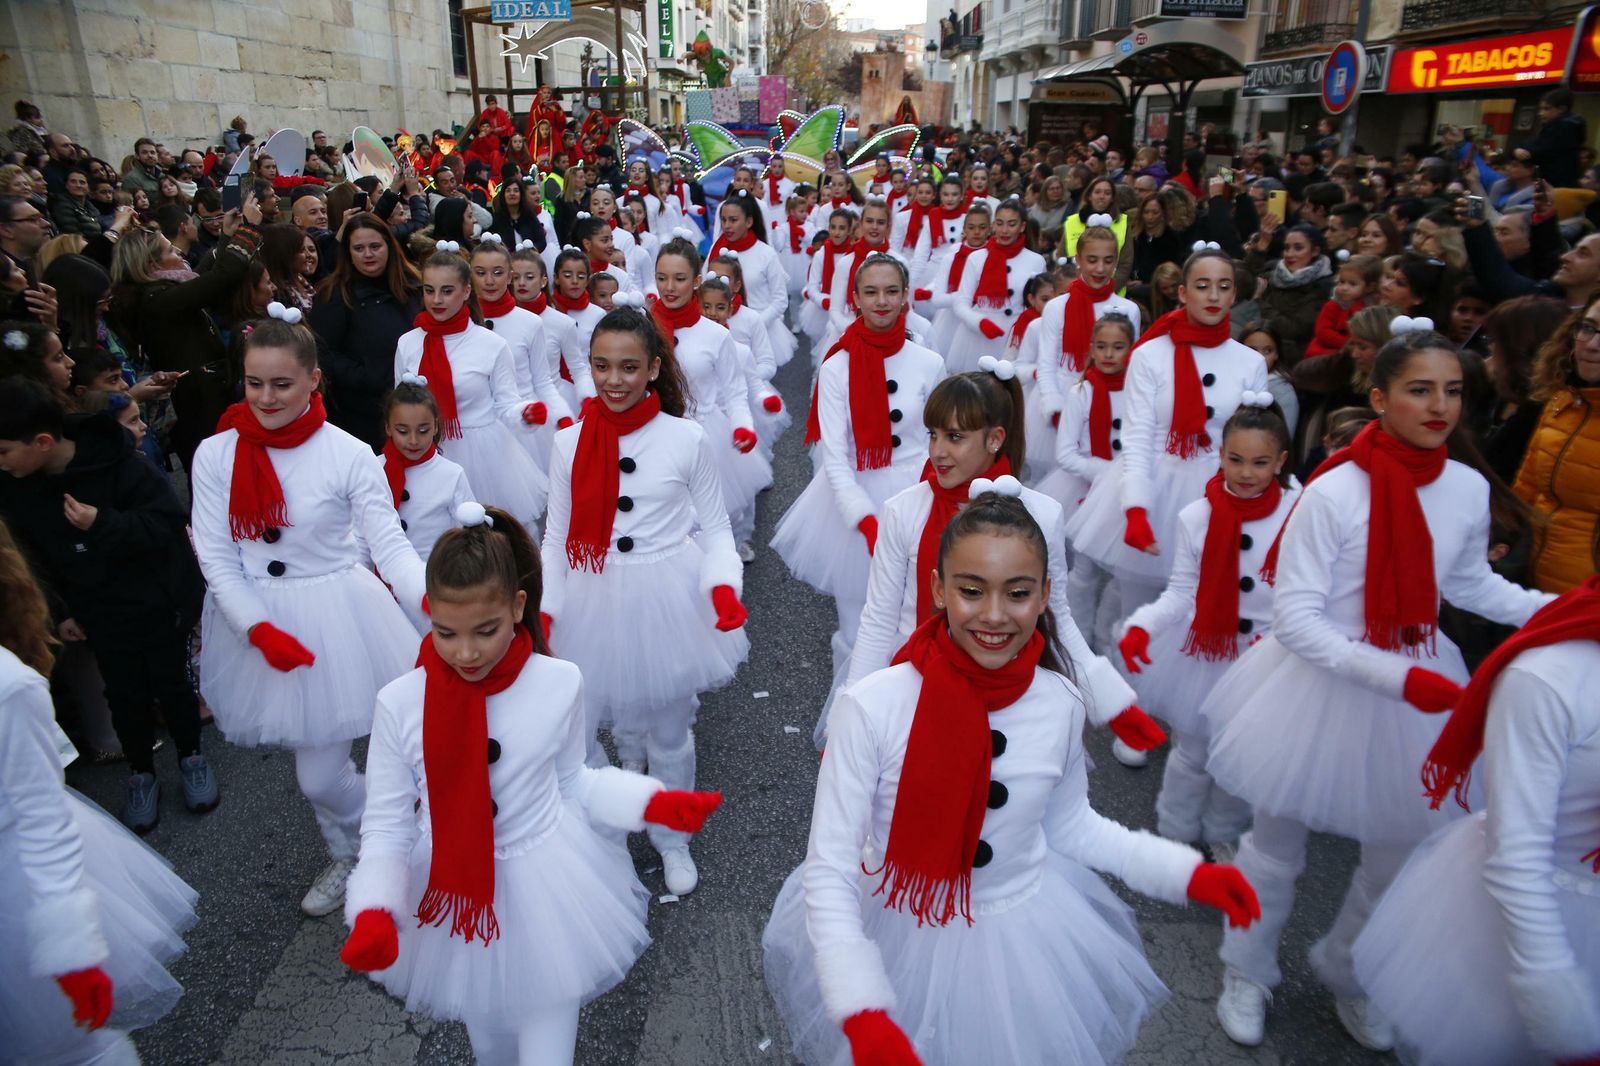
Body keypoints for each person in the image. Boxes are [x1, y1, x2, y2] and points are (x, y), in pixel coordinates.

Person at [761, 489, 1260, 1066]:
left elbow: (1073, 828)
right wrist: (863, 1008)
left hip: (1020, 937)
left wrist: (1186, 875)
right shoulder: (872, 707)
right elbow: (830, 871)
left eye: (1018, 594)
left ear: (1046, 595)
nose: (994, 614)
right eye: (971, 590)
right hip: (900, 933)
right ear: (938, 590)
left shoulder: (1062, 702)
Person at [1202, 330, 1554, 1049]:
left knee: (1399, 851)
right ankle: (1247, 968)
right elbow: (1295, 619)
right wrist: (1397, 676)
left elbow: (1465, 582)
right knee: (1274, 846)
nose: (1440, 406)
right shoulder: (1333, 488)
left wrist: (1557, 610)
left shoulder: (1462, 486)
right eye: (1420, 389)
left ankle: (1348, 971)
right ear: (1379, 398)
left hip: (1419, 674)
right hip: (1319, 682)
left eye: (1452, 390)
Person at [340, 499, 722, 1065]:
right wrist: (375, 907)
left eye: (484, 630)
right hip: (456, 890)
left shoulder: (559, 681)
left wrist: (653, 803)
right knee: (490, 1044)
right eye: (445, 633)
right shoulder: (400, 704)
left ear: (519, 608)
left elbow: (575, 783)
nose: (465, 652)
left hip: (548, 886)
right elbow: (388, 823)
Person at [190, 315, 427, 917]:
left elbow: (390, 545)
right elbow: (217, 554)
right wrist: (256, 628)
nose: (265, 398)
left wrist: (433, 600)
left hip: (337, 616)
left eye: (282, 385)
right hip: (259, 622)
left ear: (313, 380)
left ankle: (390, 831)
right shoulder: (217, 454)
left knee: (319, 777)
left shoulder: (348, 453)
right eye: (253, 384)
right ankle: (352, 851)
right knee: (315, 767)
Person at [539, 307, 749, 896]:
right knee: (599, 721)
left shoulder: (686, 439)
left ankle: (672, 833)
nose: (613, 380)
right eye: (601, 366)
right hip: (592, 591)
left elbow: (717, 531)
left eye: (629, 367)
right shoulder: (567, 443)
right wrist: (547, 607)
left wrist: (722, 587)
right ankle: (621, 797)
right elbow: (555, 539)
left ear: (654, 369)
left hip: (667, 593)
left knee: (671, 728)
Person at [839, 365, 1153, 754]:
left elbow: (1056, 617)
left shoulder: (1041, 514)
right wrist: (852, 712)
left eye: (955, 437)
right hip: (920, 684)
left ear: (995, 439)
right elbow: (880, 618)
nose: (937, 451)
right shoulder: (903, 511)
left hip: (1010, 690)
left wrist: (1112, 703)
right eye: (933, 435)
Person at [1351, 577, 1600, 1066]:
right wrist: (1555, 1003)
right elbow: (1518, 855)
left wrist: (1542, 605)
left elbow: (1469, 579)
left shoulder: (1463, 494)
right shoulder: (1552, 678)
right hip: (1541, 907)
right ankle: (1261, 967)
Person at [0, 515, 199, 1066]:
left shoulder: (8, 690)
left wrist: (71, 947)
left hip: (16, 892)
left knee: (72, 1047)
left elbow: (42, 820)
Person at [0, 371, 218, 833]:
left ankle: (191, 755)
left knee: (172, 683)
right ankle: (140, 771)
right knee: (123, 693)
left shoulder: (121, 464)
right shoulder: (19, 489)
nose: (2, 463)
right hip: (97, 611)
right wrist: (60, 611)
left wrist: (102, 523)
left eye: (4, 451)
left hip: (156, 601)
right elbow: (31, 559)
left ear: (41, 441)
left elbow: (166, 525)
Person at [1116, 400, 1298, 854]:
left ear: (1281, 462)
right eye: (1235, 459)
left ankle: (1223, 832)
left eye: (1260, 462)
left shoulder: (1300, 512)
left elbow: (1307, 589)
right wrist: (1143, 626)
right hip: (1205, 652)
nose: (1246, 472)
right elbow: (1181, 593)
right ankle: (1176, 829)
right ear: (1220, 454)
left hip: (1269, 655)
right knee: (1193, 751)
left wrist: (1280, 636)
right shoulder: (1196, 517)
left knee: (1242, 754)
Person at [1066, 247, 1270, 614]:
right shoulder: (1150, 354)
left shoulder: (1250, 362)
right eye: (1202, 286)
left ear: (1234, 295)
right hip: (1156, 489)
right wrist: (1136, 508)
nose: (1213, 296)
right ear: (1182, 292)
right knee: (1137, 611)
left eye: (1223, 287)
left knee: (1193, 611)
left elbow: (1252, 438)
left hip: (1215, 492)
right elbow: (1138, 436)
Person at [772, 256, 946, 673]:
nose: (881, 301)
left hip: (920, 498)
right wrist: (864, 520)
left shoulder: (929, 362)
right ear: (855, 299)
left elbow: (941, 441)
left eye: (891, 291)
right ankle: (847, 725)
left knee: (914, 621)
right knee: (857, 631)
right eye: (871, 292)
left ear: (906, 296)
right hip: (856, 504)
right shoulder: (837, 366)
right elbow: (834, 457)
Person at [107, 191, 265, 472]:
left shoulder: (164, 291)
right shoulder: (156, 299)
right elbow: (221, 278)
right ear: (152, 265)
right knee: (215, 473)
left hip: (206, 396)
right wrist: (248, 229)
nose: (178, 253)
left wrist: (227, 236)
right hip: (198, 405)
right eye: (169, 251)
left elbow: (210, 281)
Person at [394, 251, 546, 530]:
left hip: (483, 453)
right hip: (424, 448)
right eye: (429, 291)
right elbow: (400, 403)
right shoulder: (408, 343)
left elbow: (506, 403)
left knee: (491, 534)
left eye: (447, 291)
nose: (436, 300)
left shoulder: (491, 344)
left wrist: (525, 413)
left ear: (466, 291)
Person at [650, 239, 764, 557]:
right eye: (662, 277)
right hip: (652, 433)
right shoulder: (641, 327)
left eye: (679, 278)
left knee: (709, 520)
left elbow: (736, 392)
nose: (669, 287)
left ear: (697, 281)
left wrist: (742, 426)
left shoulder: (716, 335)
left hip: (703, 433)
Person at [309, 213, 422, 450]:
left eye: (375, 246)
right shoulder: (335, 295)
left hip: (416, 403)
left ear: (389, 246)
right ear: (348, 253)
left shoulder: (414, 284)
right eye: (359, 248)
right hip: (363, 412)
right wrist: (366, 376)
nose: (368, 254)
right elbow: (323, 351)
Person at [1512, 294, 1600, 593]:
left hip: (1586, 606)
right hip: (1535, 590)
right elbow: (1525, 492)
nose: (1591, 344)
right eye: (1588, 327)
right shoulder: (1562, 403)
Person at [468, 237, 570, 477]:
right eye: (481, 273)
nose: (490, 281)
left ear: (510, 276)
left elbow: (543, 382)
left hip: (524, 430)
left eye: (498, 272)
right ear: (469, 275)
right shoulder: (462, 324)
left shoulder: (530, 323)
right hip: (475, 434)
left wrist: (561, 418)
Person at [946, 199, 1047, 374]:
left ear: (1022, 226)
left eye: (1011, 224)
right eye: (1000, 223)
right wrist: (979, 322)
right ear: (993, 225)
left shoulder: (1035, 261)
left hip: (1014, 337)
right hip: (977, 336)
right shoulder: (977, 258)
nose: (1005, 230)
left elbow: (1040, 304)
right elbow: (961, 302)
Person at [382, 376, 473, 565]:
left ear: (436, 426)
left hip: (435, 578)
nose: (414, 440)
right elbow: (360, 533)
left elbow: (469, 535)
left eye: (423, 430)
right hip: (383, 580)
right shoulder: (373, 468)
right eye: (403, 431)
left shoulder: (451, 474)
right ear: (388, 428)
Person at [708, 193, 793, 367]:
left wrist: (754, 325)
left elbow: (780, 300)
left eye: (733, 220)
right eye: (723, 220)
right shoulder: (716, 251)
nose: (727, 226)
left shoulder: (766, 254)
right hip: (719, 325)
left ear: (749, 222)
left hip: (760, 328)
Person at [1305, 253, 1380, 359]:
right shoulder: (1333, 305)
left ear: (1370, 287)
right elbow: (1322, 331)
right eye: (1342, 282)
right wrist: (1348, 344)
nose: (1344, 288)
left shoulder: (1371, 309)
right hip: (1323, 354)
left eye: (1352, 284)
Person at [1514, 88, 1587, 190]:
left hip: (1555, 184)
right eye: (1541, 109)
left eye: (1546, 109)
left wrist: (1519, 149)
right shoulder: (1570, 125)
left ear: (1562, 109)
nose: (1541, 113)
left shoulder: (1562, 127)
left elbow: (1539, 150)